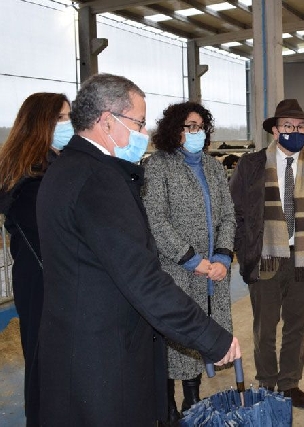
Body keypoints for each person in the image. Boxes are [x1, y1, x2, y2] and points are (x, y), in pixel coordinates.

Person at [36, 73, 240, 426]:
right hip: (102, 357)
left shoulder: (68, 169)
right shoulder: (98, 182)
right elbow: (142, 278)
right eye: (138, 123)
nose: (143, 134)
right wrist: (210, 336)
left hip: (79, 344)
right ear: (106, 121)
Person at [229, 99, 304, 408]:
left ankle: (289, 382)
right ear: (275, 131)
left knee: (297, 324)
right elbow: (234, 210)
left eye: (301, 127)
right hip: (265, 255)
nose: (295, 131)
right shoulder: (251, 165)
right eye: (288, 126)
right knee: (265, 326)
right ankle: (266, 381)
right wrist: (244, 248)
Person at [142, 101, 236, 420]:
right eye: (189, 126)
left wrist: (222, 256)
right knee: (174, 335)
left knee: (201, 330)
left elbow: (227, 215)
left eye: (200, 126)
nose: (197, 132)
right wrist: (191, 259)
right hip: (176, 271)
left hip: (213, 271)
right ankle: (167, 406)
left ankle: (193, 399)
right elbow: (156, 218)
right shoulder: (159, 165)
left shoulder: (213, 166)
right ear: (174, 130)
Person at [0, 92, 72, 426]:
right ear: (39, 123)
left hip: (52, 278)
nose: (67, 124)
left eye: (69, 116)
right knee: (46, 366)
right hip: (43, 281)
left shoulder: (55, 166)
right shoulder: (30, 178)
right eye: (60, 118)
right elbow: (55, 235)